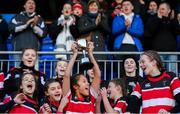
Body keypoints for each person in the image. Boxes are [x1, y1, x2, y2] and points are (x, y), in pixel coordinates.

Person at [62, 41, 101, 113]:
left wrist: (90, 54)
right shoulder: (69, 100)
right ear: (75, 86)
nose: (88, 83)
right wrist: (75, 54)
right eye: (84, 81)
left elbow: (97, 75)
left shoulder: (91, 100)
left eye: (87, 81)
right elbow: (66, 76)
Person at [8, 0, 47, 66]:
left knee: (34, 75)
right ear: (24, 6)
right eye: (29, 3)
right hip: (19, 52)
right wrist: (26, 24)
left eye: (33, 3)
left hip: (34, 53)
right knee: (18, 74)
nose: (31, 5)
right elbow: (12, 29)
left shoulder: (39, 19)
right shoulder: (16, 17)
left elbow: (43, 33)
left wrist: (33, 26)